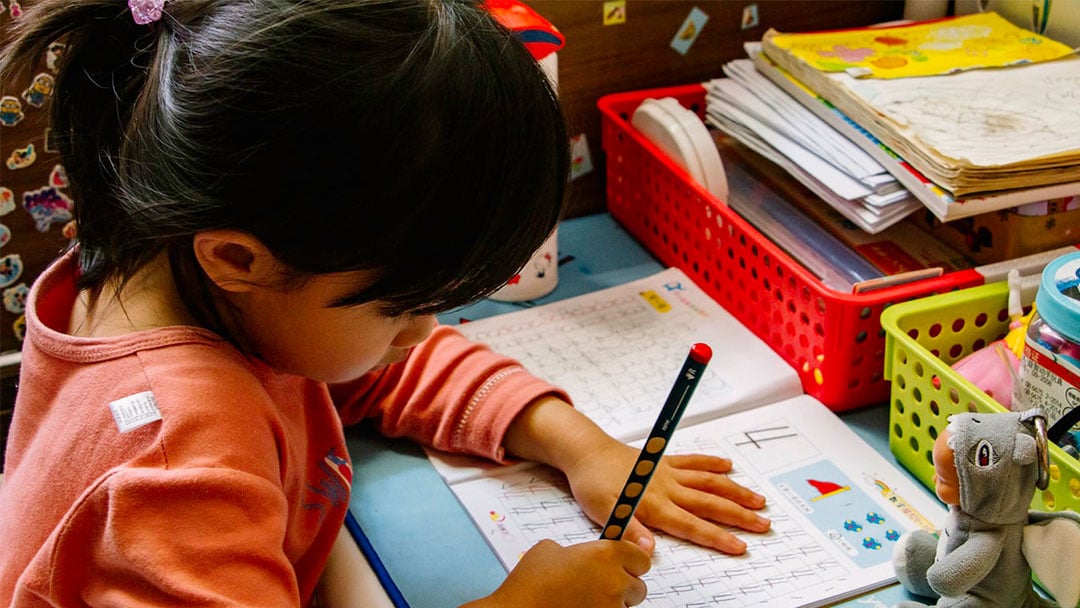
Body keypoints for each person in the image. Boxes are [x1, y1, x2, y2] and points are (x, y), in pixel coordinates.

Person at [0, 1, 770, 606]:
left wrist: (580, 446)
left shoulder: (169, 268)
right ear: (237, 257)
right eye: (402, 308)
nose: (422, 333)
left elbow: (377, 367)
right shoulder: (180, 469)